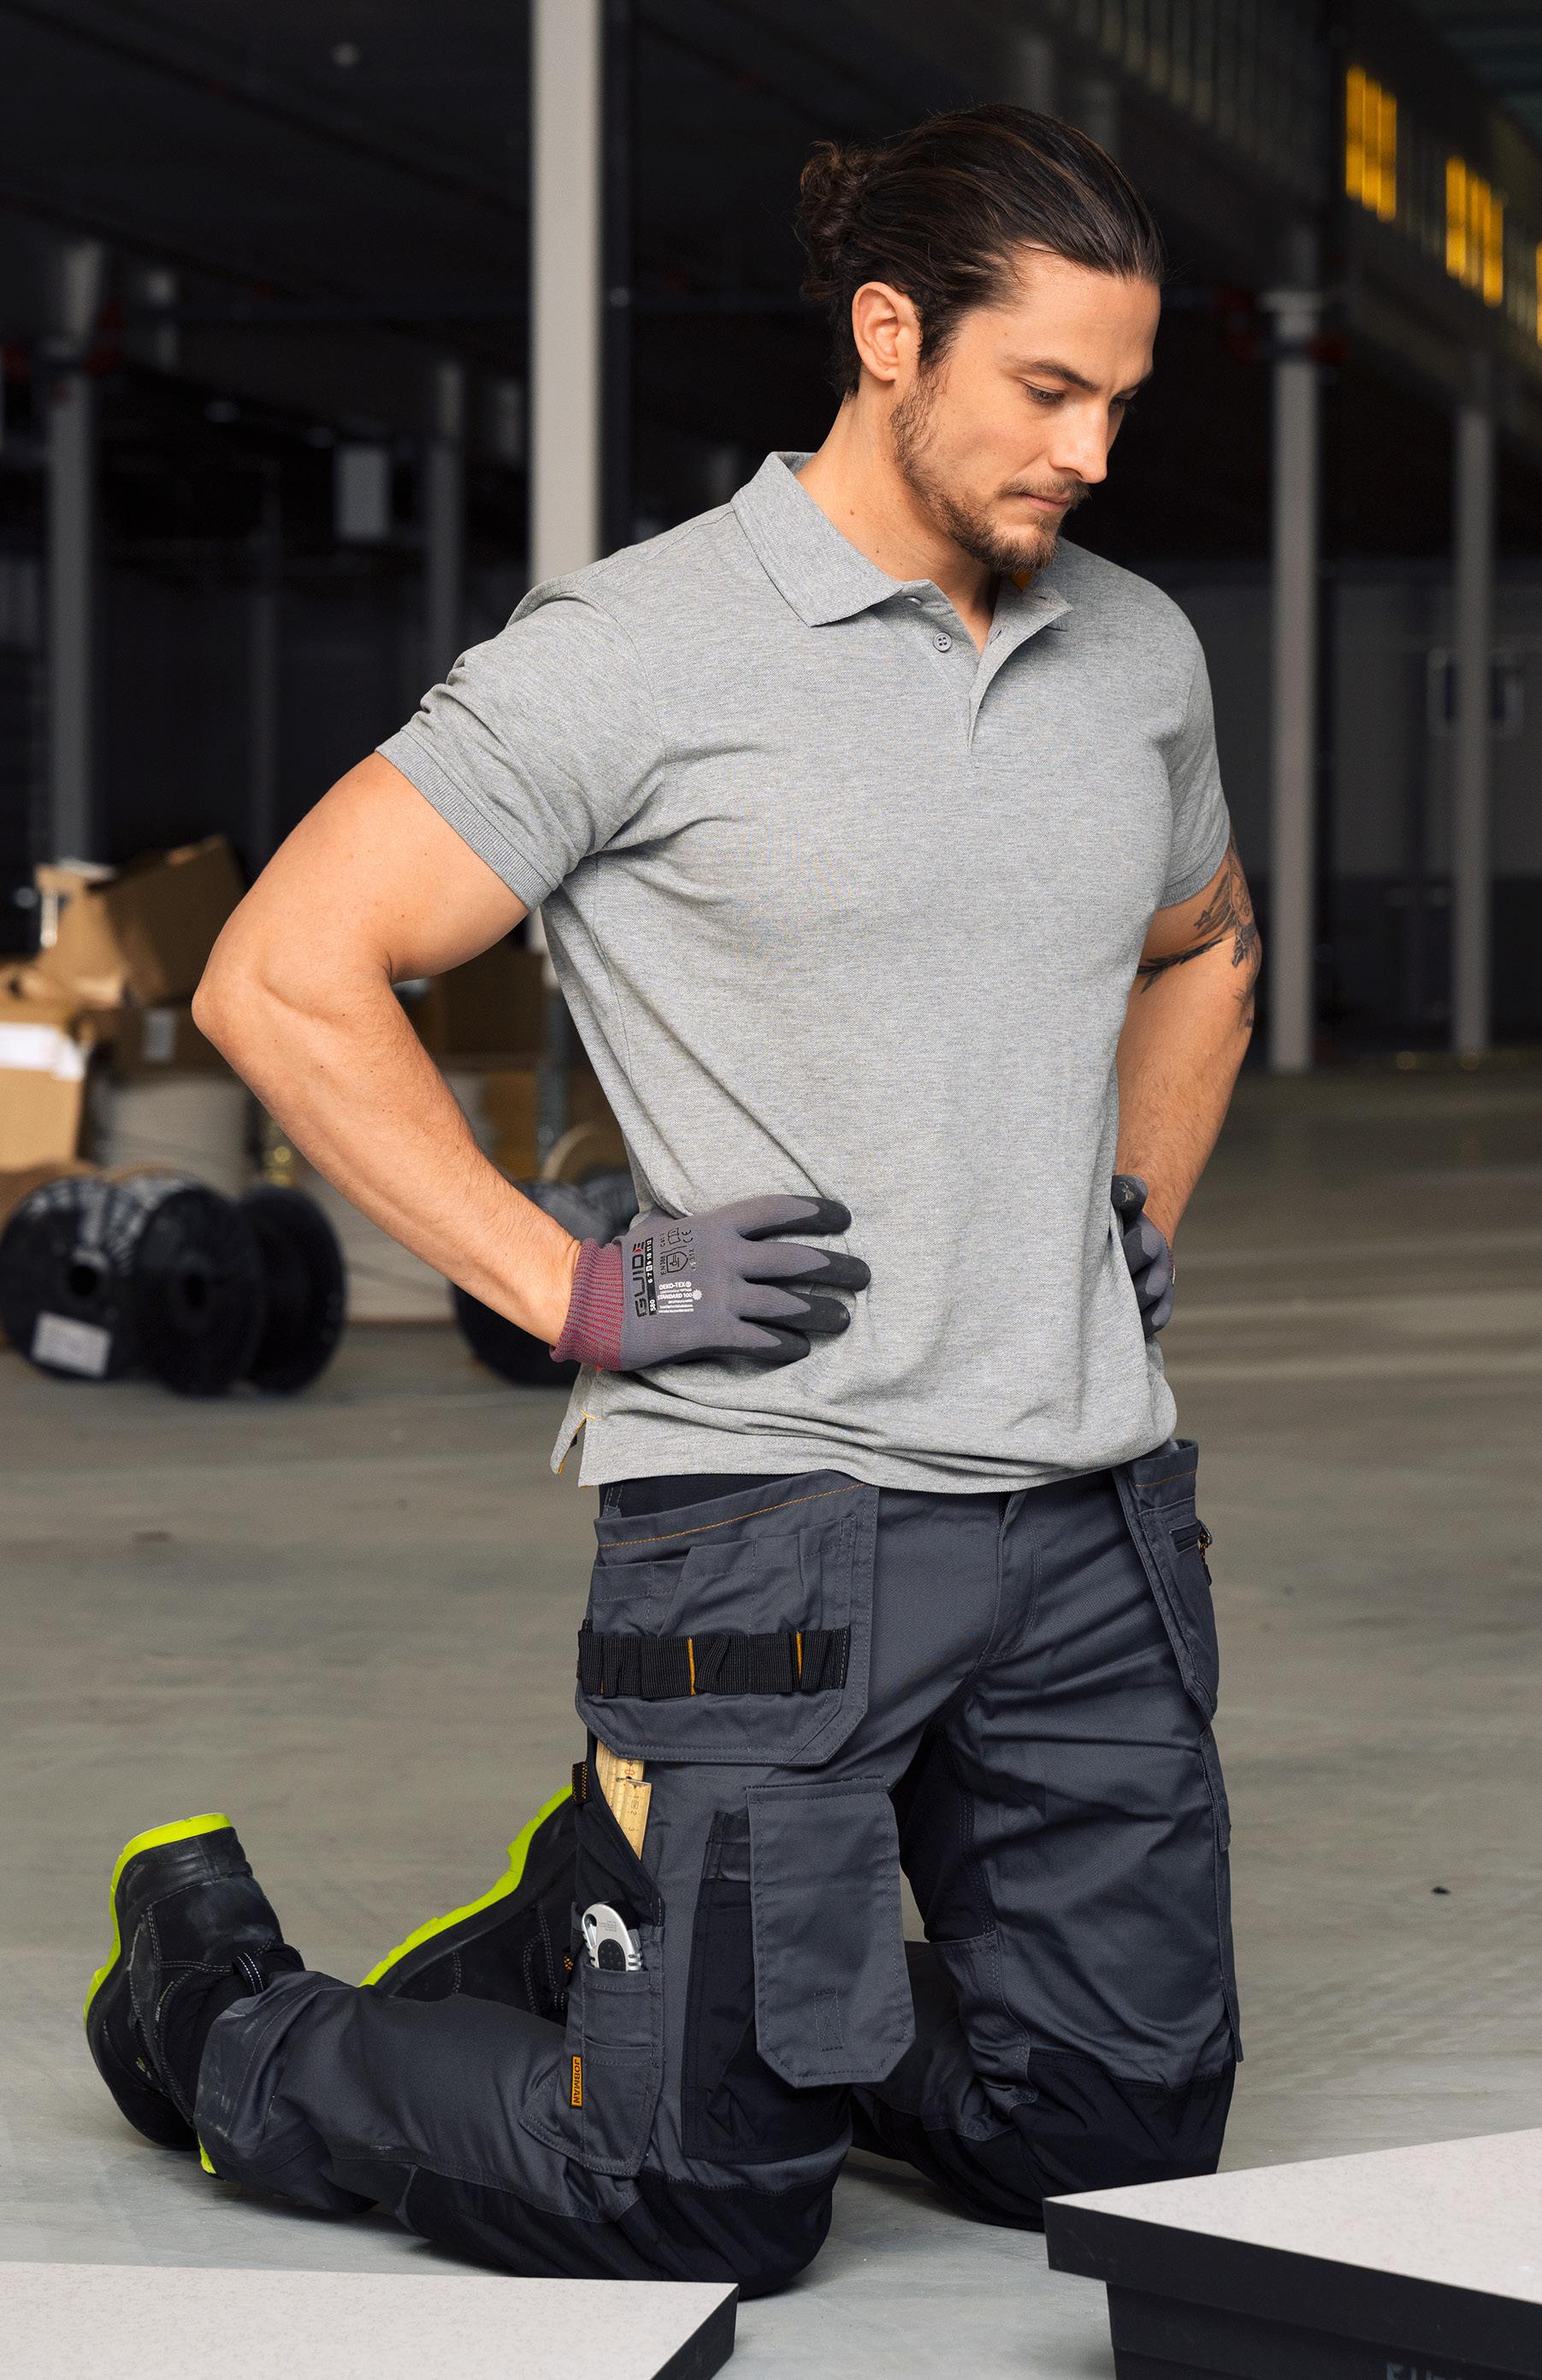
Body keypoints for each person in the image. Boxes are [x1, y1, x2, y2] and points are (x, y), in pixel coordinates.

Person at [86, 104, 1261, 2294]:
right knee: (699, 2194)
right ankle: (217, 2012)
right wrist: (571, 1287)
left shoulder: (1138, 655)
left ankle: (608, 1930)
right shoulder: (640, 649)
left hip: (1089, 1514)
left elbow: (1208, 944)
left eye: (1121, 398)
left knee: (1114, 2135)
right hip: (775, 1519)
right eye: (1047, 388)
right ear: (890, 333)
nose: (1092, 450)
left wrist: (1133, 1196)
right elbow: (282, 971)